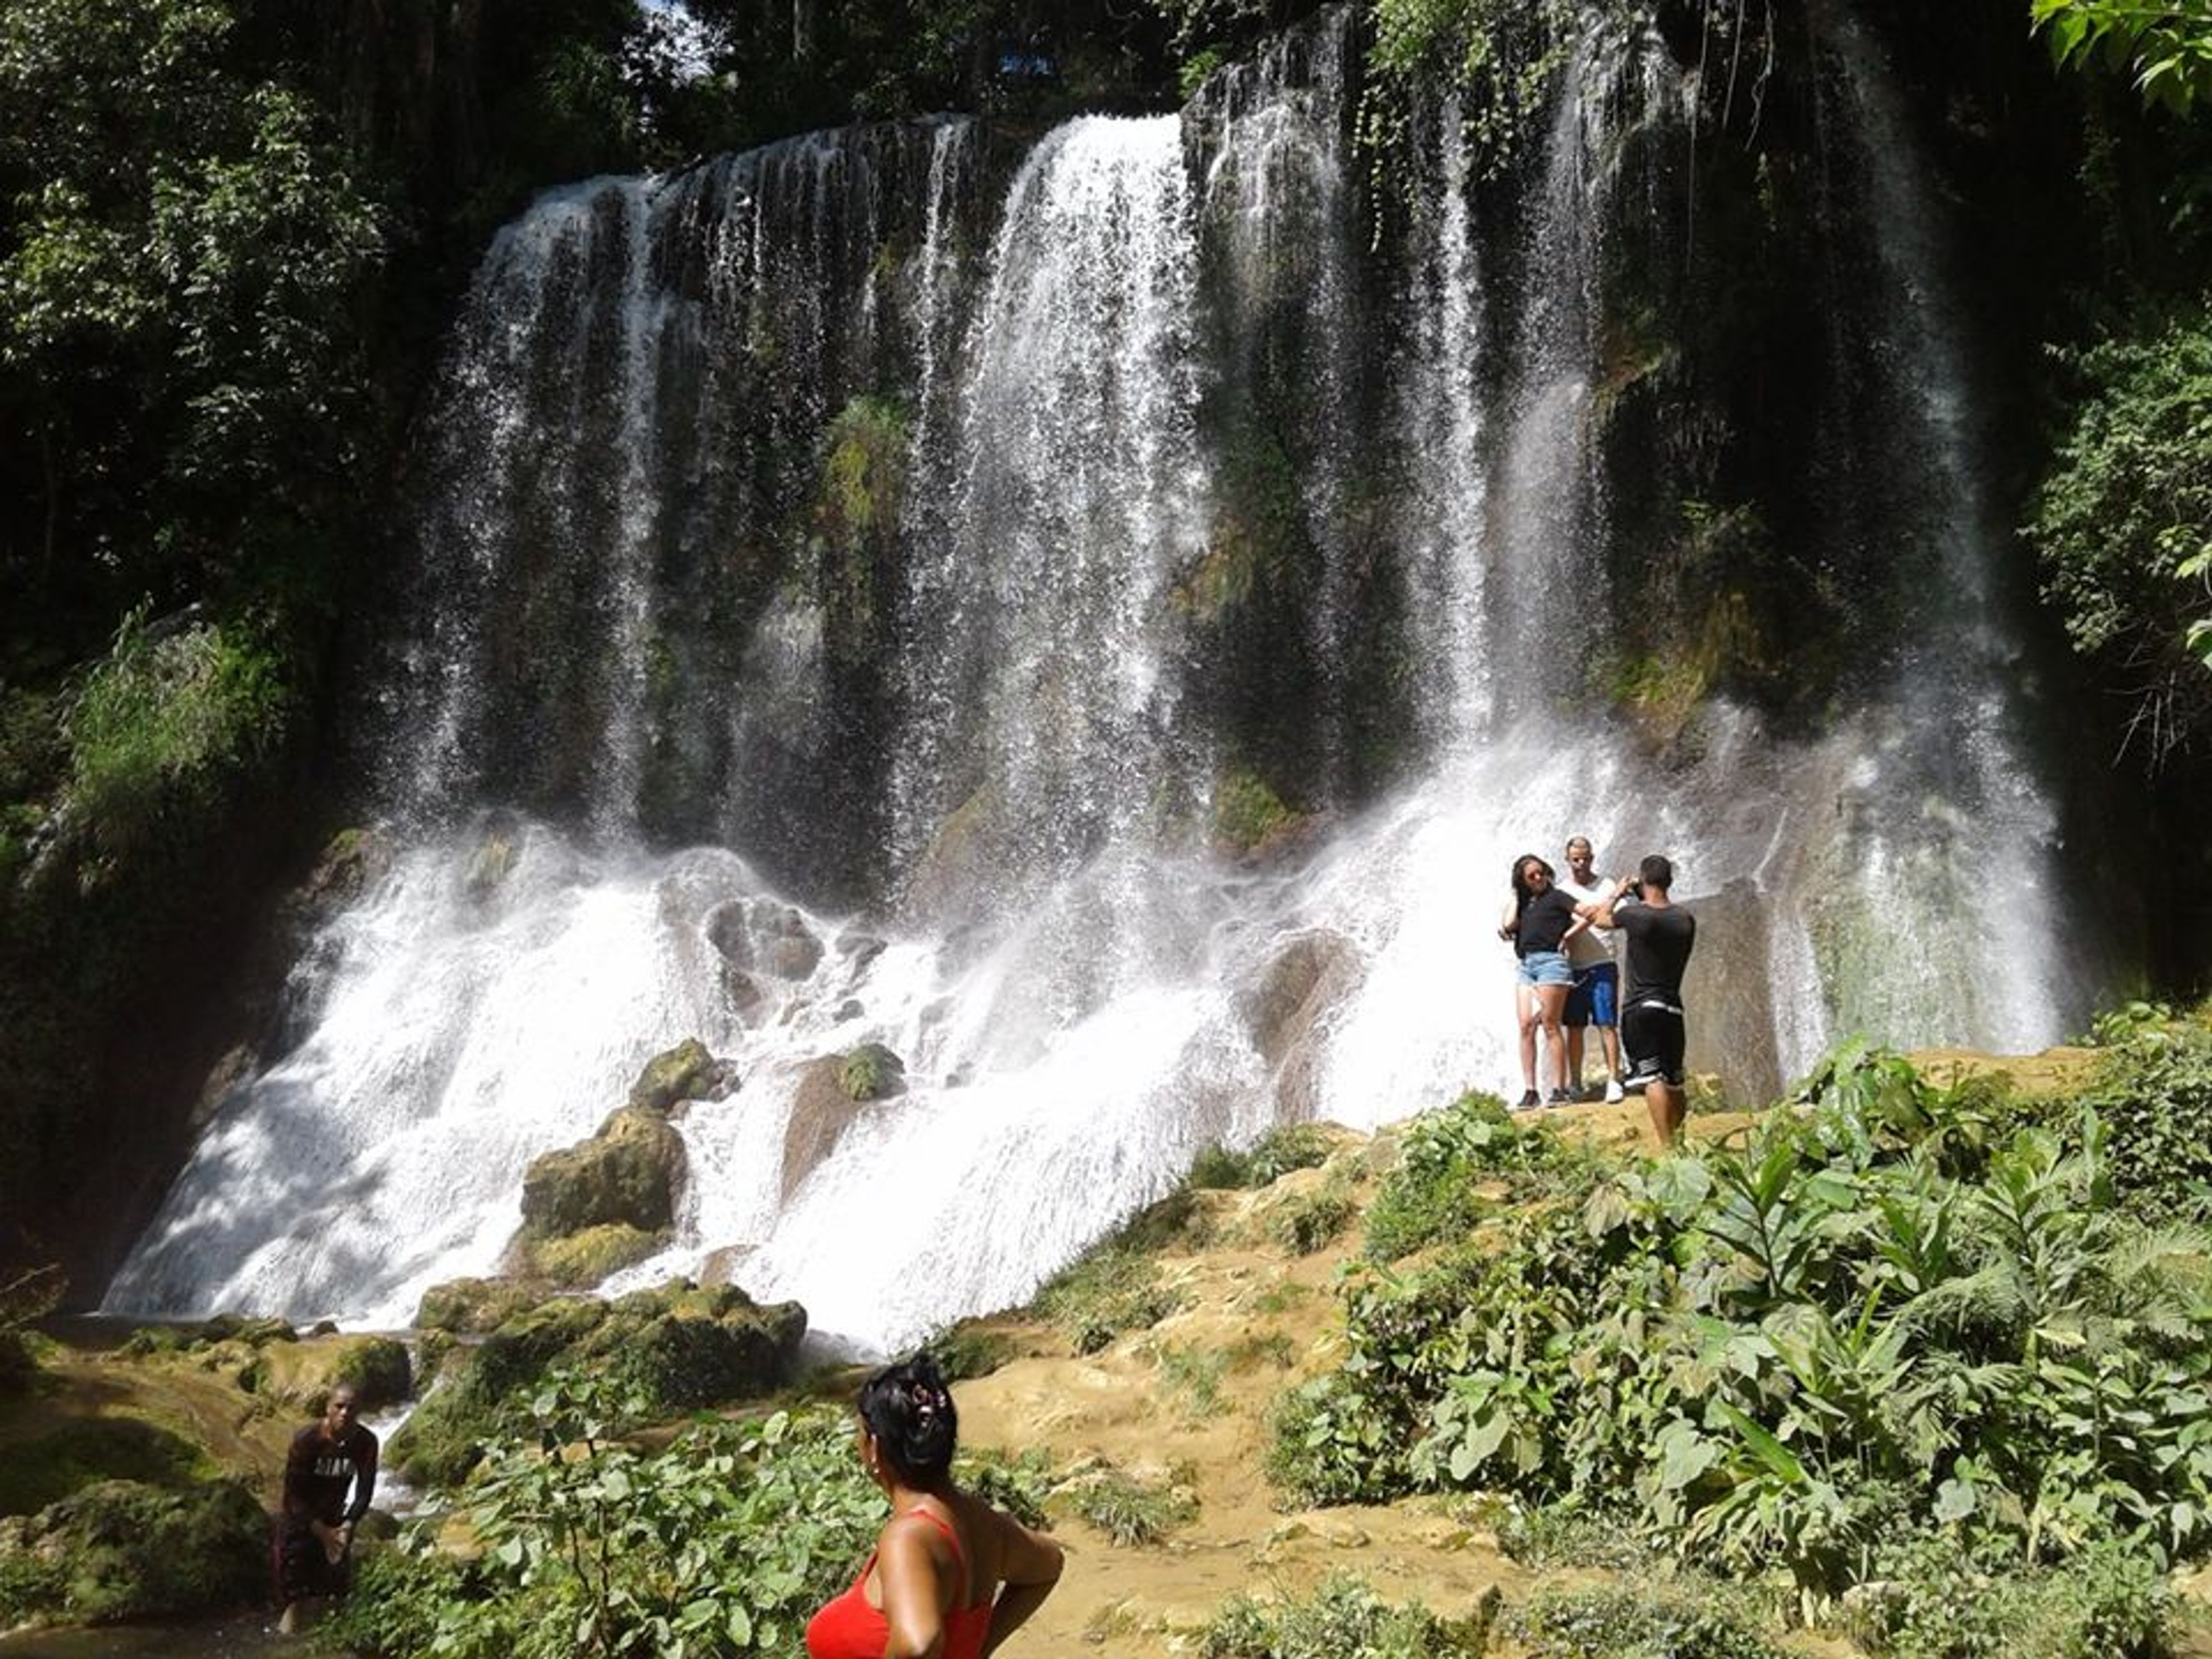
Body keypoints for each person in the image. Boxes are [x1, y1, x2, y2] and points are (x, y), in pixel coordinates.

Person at [806, 1355, 1063, 1659]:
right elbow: (1048, 1566)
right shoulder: (984, 1522)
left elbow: (920, 1644)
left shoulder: (909, 1538)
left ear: (874, 1447)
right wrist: (980, 1648)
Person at [1578, 854, 1698, 1146]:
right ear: (1669, 881)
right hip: (1672, 1007)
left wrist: (1619, 892)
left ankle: (1667, 1147)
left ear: (1644, 882)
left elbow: (1598, 919)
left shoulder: (1636, 916)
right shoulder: (1685, 919)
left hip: (1641, 1007)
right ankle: (1680, 1142)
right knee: (1675, 1079)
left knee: (1652, 1077)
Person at [274, 1384, 378, 1635]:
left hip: (336, 1520)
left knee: (336, 1592)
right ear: (328, 1409)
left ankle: (331, 1643)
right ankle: (289, 1643)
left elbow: (364, 1492)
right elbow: (293, 1495)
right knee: (296, 1598)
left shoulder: (366, 1443)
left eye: (351, 1409)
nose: (345, 1413)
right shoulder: (307, 1440)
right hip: (299, 1523)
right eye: (339, 1407)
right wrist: (322, 1533)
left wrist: (348, 1526)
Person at [1498, 853, 1589, 1109]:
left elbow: (1588, 914)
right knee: (1526, 1026)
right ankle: (1530, 1091)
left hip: (1552, 963)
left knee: (1550, 1025)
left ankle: (1559, 1089)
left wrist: (1567, 936)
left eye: (1541, 872)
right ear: (1522, 881)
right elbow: (1507, 926)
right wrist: (1518, 895)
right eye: (1531, 876)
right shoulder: (1524, 903)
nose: (1539, 878)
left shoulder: (1558, 897)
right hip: (1526, 966)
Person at [1555, 836, 1626, 1105]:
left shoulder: (1606, 885)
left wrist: (1611, 901)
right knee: (1574, 1027)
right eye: (1576, 859)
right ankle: (1575, 1082)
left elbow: (1617, 918)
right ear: (1568, 860)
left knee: (1607, 1023)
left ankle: (1613, 1080)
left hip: (1602, 963)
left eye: (1585, 858)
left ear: (1592, 858)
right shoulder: (1561, 891)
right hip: (1573, 967)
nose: (1581, 864)